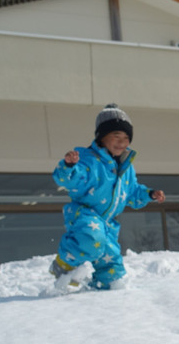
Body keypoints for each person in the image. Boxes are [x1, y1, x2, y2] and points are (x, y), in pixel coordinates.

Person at [49, 103, 166, 290]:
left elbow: (132, 192)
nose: (122, 142)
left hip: (108, 223)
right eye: (116, 136)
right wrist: (69, 166)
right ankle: (63, 265)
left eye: (126, 138)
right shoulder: (88, 159)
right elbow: (70, 179)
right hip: (84, 215)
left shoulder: (126, 167)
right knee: (92, 239)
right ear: (102, 137)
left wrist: (149, 194)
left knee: (112, 265)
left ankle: (107, 290)